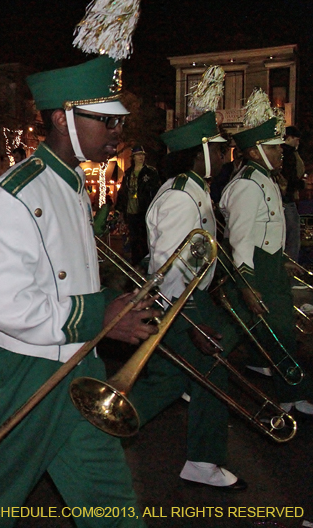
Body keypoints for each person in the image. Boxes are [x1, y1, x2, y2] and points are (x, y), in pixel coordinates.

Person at [0, 55, 157, 528]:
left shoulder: (71, 186)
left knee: (112, 504)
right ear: (61, 118)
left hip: (76, 364)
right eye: (104, 119)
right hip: (24, 374)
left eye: (118, 121)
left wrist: (114, 308)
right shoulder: (12, 195)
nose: (116, 130)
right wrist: (102, 317)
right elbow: (9, 308)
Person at [128, 111, 247, 491]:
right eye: (216, 147)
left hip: (185, 299)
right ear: (199, 153)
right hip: (183, 302)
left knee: (169, 377)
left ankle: (104, 427)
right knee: (212, 372)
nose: (224, 152)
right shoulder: (182, 196)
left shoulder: (191, 188)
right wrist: (192, 321)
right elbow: (170, 265)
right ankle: (203, 461)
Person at [220, 92, 313, 417]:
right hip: (254, 267)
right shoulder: (247, 184)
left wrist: (281, 258)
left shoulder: (266, 179)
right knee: (260, 331)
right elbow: (242, 239)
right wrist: (247, 282)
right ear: (253, 151)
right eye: (272, 147)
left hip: (268, 263)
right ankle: (189, 375)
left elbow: (268, 227)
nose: (278, 152)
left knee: (280, 331)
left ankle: (292, 393)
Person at [115, 145, 161, 265]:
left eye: (142, 155)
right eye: (138, 155)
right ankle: (136, 264)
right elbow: (123, 192)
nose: (141, 157)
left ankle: (146, 263)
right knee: (134, 239)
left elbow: (155, 190)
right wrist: (119, 209)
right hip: (131, 210)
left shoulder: (150, 172)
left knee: (145, 238)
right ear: (133, 157)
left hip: (144, 210)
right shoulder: (128, 173)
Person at [280, 126, 305, 261]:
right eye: (296, 139)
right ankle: (291, 267)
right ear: (289, 138)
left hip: (286, 198)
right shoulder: (288, 155)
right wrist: (301, 184)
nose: (298, 143)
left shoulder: (288, 153)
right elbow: (289, 178)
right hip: (287, 199)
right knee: (292, 237)